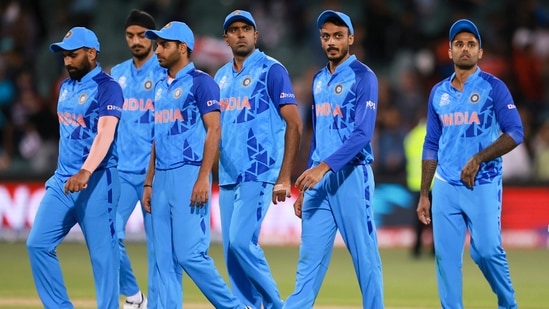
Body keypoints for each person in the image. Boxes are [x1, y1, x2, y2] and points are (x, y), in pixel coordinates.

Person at [141, 21, 251, 309]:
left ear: (182, 48)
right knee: (162, 258)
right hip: (161, 178)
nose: (157, 51)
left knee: (190, 255)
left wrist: (204, 177)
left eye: (164, 45)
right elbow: (157, 134)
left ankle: (234, 307)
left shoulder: (201, 82)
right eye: (157, 45)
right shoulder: (160, 87)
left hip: (188, 173)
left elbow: (214, 130)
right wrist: (150, 181)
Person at [417, 19, 523, 309]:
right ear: (449, 52)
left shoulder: (494, 87)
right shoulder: (438, 93)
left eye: (471, 44)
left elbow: (516, 132)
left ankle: (508, 303)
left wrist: (478, 158)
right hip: (445, 186)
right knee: (446, 261)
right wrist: (425, 193)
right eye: (459, 44)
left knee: (486, 251)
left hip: (483, 182)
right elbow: (431, 143)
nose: (465, 49)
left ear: (480, 51)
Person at [284, 10, 384, 309]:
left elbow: (362, 134)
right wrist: (307, 182)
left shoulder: (364, 77)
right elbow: (318, 133)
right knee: (309, 261)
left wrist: (323, 168)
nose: (331, 42)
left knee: (364, 257)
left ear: (350, 39)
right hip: (319, 180)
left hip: (351, 176)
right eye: (326, 36)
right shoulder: (317, 79)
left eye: (338, 36)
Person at [26, 27, 123, 309]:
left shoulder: (108, 88)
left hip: (98, 180)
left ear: (92, 54)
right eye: (64, 56)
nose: (67, 61)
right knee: (37, 244)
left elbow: (106, 133)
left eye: (73, 55)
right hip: (62, 181)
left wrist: (86, 171)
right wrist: (68, 172)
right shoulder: (65, 87)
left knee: (104, 258)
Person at [213, 10, 302, 309]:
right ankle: (248, 306)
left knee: (241, 243)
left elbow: (295, 123)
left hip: (260, 171)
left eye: (246, 29)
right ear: (226, 37)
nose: (240, 34)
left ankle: (276, 305)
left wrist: (284, 176)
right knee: (230, 251)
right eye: (234, 30)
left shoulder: (271, 70)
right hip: (227, 175)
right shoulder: (221, 77)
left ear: (256, 35)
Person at [110, 9, 163, 309]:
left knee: (159, 250)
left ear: (153, 38)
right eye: (130, 35)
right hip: (123, 171)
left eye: (142, 35)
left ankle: (157, 305)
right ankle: (133, 296)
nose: (136, 41)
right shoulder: (116, 74)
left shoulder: (164, 71)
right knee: (107, 235)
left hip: (154, 176)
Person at [404, 108, 434, 258]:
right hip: (433, 182)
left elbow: (407, 155)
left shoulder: (411, 136)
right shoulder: (434, 134)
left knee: (418, 218)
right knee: (434, 218)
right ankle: (434, 250)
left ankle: (416, 249)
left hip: (415, 182)